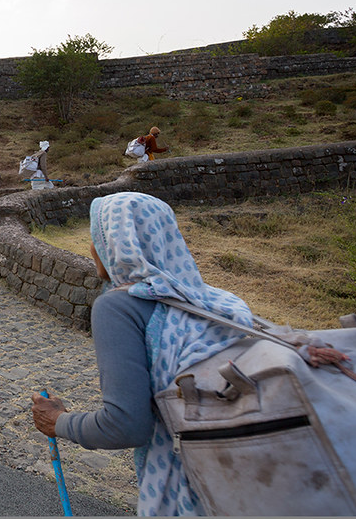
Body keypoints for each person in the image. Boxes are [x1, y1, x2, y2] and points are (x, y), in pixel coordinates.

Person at [30, 191, 256, 515]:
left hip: (189, 488)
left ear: (118, 243)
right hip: (246, 476)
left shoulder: (119, 307)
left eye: (98, 235)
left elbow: (126, 426)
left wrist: (59, 422)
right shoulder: (217, 302)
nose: (92, 247)